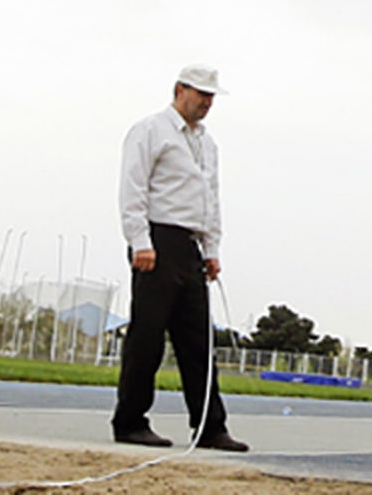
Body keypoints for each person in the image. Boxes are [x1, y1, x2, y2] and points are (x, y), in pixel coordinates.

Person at [110, 64, 248, 452]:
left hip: (190, 244)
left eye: (211, 96)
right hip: (157, 239)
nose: (206, 102)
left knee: (198, 341)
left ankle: (209, 426)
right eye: (200, 94)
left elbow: (211, 198)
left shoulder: (207, 144)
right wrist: (140, 240)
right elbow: (133, 187)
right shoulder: (150, 131)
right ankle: (130, 420)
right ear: (179, 90)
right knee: (148, 337)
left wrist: (212, 248)